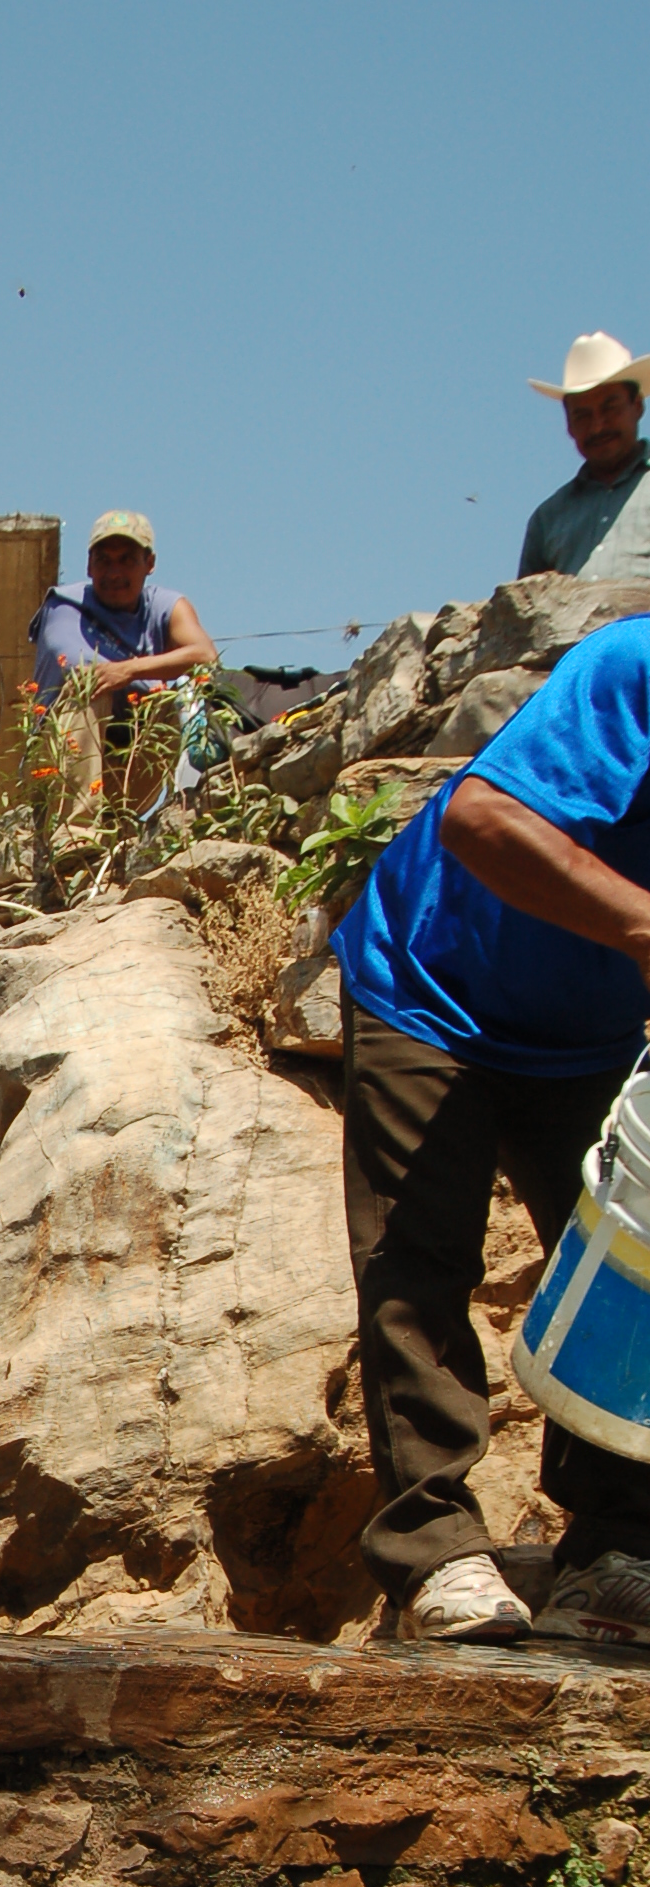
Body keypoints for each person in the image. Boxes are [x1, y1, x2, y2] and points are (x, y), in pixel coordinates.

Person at [331, 615, 650, 1646]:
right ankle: (434, 1553)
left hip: (591, 1024)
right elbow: (480, 818)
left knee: (627, 1274)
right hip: (430, 984)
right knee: (417, 1258)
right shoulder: (632, 665)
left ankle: (608, 1551)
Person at [29, 513, 218, 845]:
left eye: (127, 560)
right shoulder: (65, 605)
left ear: (150, 563)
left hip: (125, 764)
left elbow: (205, 655)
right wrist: (151, 673)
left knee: (168, 707)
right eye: (104, 561)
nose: (114, 572)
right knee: (91, 688)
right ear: (89, 566)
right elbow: (80, 666)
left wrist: (130, 671)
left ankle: (121, 821)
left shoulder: (165, 605)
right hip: (59, 767)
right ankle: (76, 836)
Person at [520, 333, 650, 584]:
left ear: (637, 406)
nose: (598, 427)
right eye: (583, 415)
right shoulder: (548, 518)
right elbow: (523, 611)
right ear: (568, 423)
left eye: (610, 408)